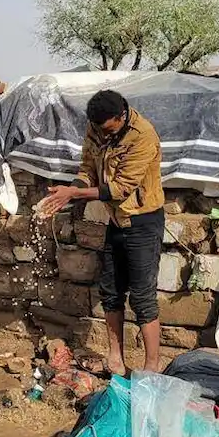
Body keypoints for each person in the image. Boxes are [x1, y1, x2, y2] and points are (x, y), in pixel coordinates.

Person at [38, 90, 165, 375]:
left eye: (107, 129)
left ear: (122, 116)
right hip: (117, 222)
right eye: (97, 129)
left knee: (143, 297)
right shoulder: (96, 128)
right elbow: (87, 169)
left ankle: (152, 367)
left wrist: (74, 193)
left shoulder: (143, 135)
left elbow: (120, 188)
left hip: (142, 220)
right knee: (110, 292)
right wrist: (70, 189)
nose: (102, 134)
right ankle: (115, 360)